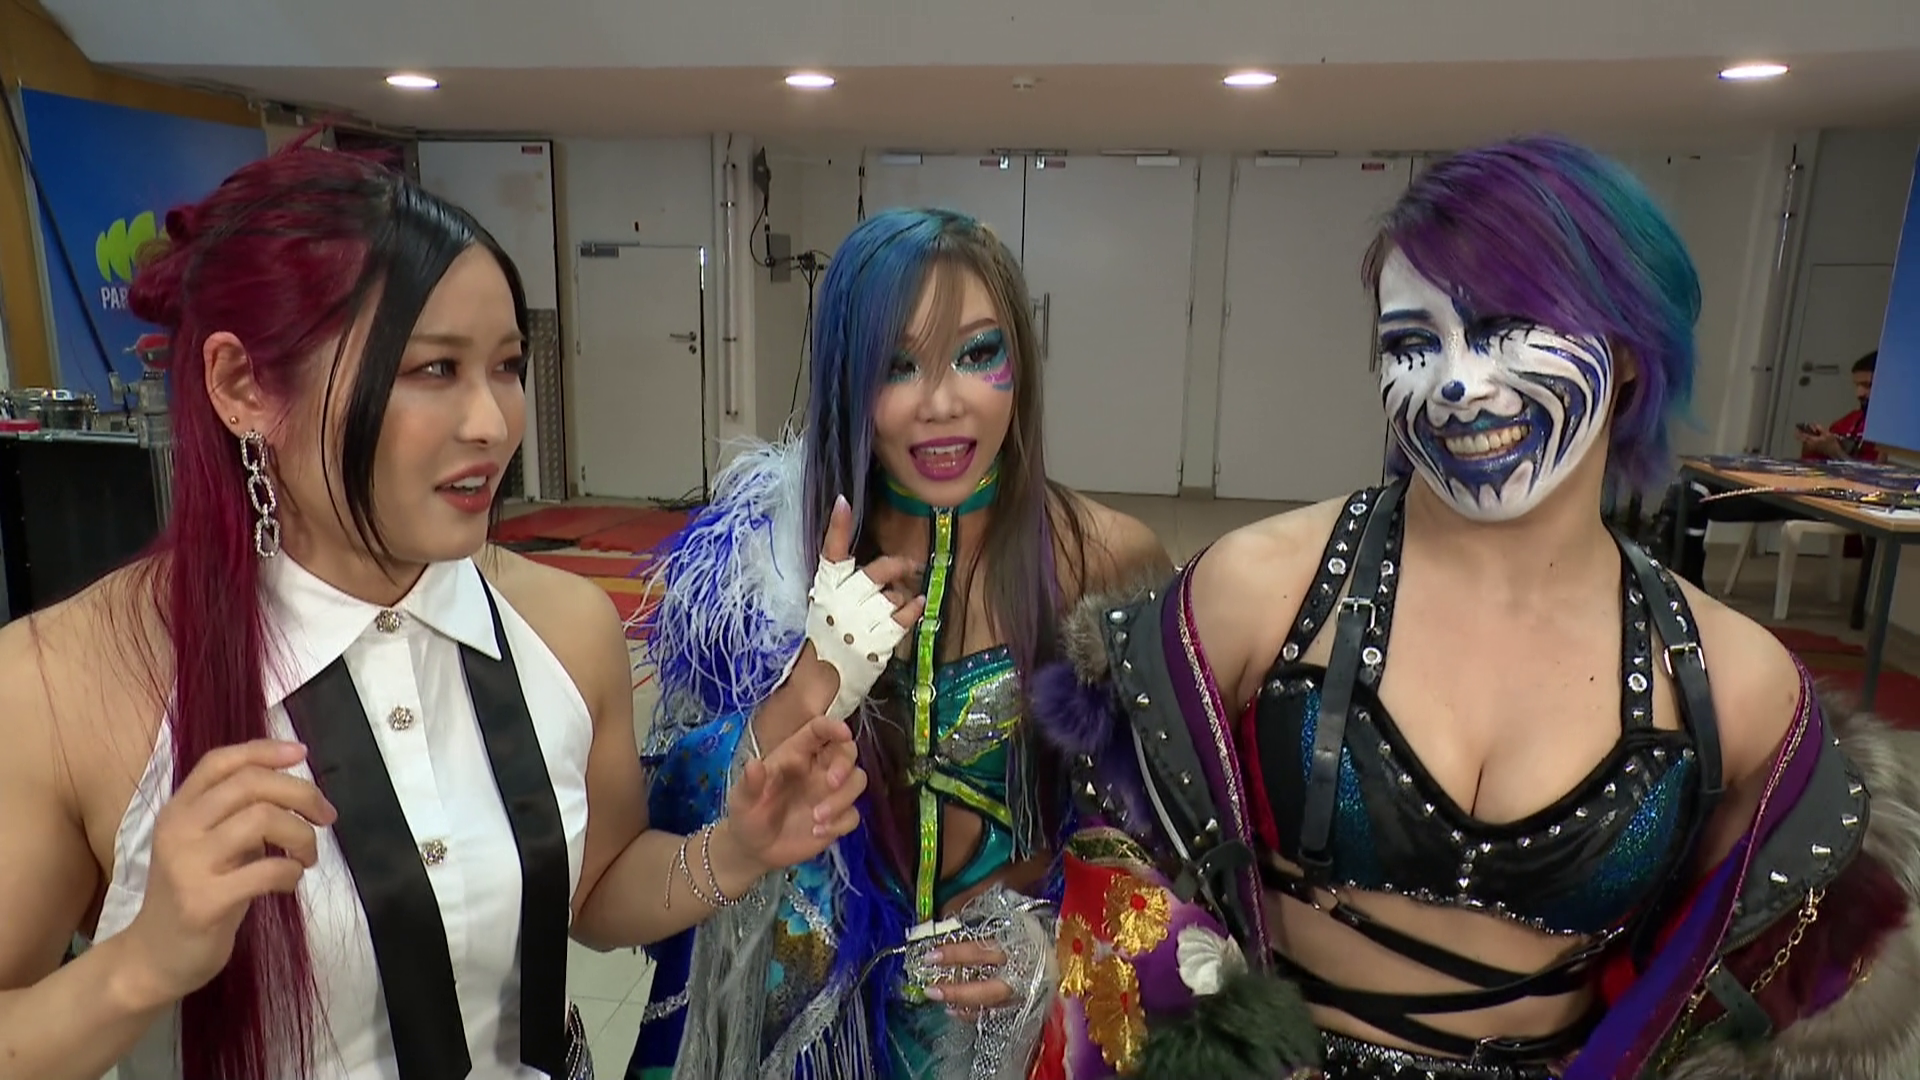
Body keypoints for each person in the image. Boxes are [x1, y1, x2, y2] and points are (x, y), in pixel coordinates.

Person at [1029, 136, 1920, 1079]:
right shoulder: (1260, 590)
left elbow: (1725, 993)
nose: (1457, 385)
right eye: (1412, 344)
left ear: (1627, 352)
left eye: (1506, 329)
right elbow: (1112, 859)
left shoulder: (1734, 681)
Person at [0, 136, 866, 1080]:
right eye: (433, 370)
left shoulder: (565, 628)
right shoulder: (62, 683)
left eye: (506, 366)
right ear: (244, 386)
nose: (493, 423)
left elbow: (594, 894)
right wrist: (139, 965)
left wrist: (735, 851)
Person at [625, 207, 1170, 1079]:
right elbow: (668, 819)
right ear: (848, 378)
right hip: (809, 1039)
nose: (942, 403)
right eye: (898, 365)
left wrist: (1059, 941)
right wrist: (809, 685)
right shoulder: (752, 566)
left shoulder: (1105, 558)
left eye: (979, 354)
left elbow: (1161, 833)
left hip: (1010, 1035)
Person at [1672, 350, 1880, 588]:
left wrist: (1834, 451)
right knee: (1692, 484)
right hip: (1802, 484)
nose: (1860, 393)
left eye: (1867, 385)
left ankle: (1686, 579)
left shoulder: (1888, 431)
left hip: (1826, 499)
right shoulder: (1852, 419)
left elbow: (1873, 483)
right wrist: (1815, 445)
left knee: (1695, 498)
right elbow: (1814, 463)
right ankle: (1682, 574)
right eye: (1857, 385)